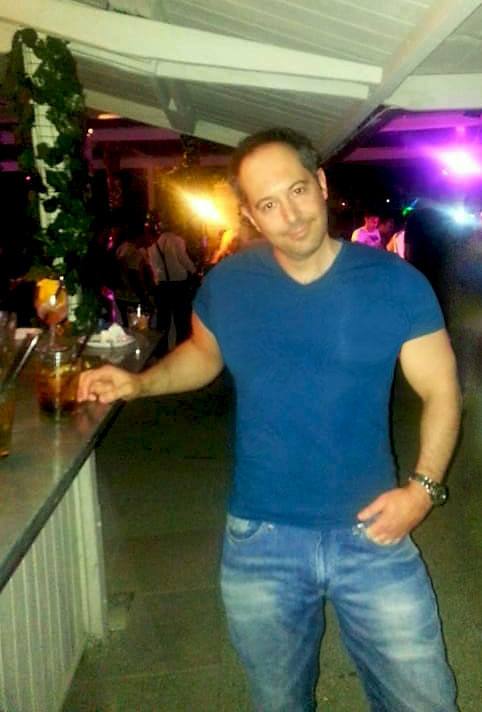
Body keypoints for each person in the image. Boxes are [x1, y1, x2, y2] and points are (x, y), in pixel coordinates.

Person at [78, 127, 461, 712]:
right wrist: (139, 382)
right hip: (261, 538)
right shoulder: (229, 284)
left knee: (424, 699)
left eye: (297, 190)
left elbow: (441, 390)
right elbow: (203, 355)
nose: (291, 214)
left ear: (321, 183)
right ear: (250, 215)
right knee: (278, 702)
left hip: (375, 529)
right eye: (268, 203)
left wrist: (423, 490)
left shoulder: (395, 282)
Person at [144, 218, 196, 352]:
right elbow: (184, 260)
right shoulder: (177, 240)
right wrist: (194, 270)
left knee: (163, 323)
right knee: (181, 322)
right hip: (179, 286)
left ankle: (162, 353)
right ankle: (180, 351)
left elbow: (154, 269)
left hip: (162, 287)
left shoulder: (152, 247)